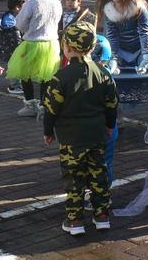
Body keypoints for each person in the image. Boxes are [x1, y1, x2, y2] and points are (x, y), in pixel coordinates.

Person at [43, 21, 118, 236]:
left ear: (66, 47)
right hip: (97, 134)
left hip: (70, 138)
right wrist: (110, 125)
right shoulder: (104, 74)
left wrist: (48, 131)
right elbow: (112, 104)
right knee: (98, 175)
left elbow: (51, 109)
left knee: (73, 178)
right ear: (92, 48)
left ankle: (75, 221)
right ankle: (102, 216)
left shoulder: (61, 77)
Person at [6, 0, 63, 117]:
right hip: (51, 43)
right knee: (47, 76)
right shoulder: (57, 3)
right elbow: (57, 21)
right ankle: (45, 106)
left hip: (32, 43)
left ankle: (30, 104)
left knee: (25, 74)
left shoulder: (31, 3)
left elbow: (20, 24)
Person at [0, 0, 27, 95]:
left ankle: (16, 84)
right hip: (11, 49)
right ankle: (14, 86)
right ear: (17, 7)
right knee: (14, 67)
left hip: (6, 48)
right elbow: (15, 37)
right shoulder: (11, 21)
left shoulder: (8, 16)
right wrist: (21, 48)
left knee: (14, 66)